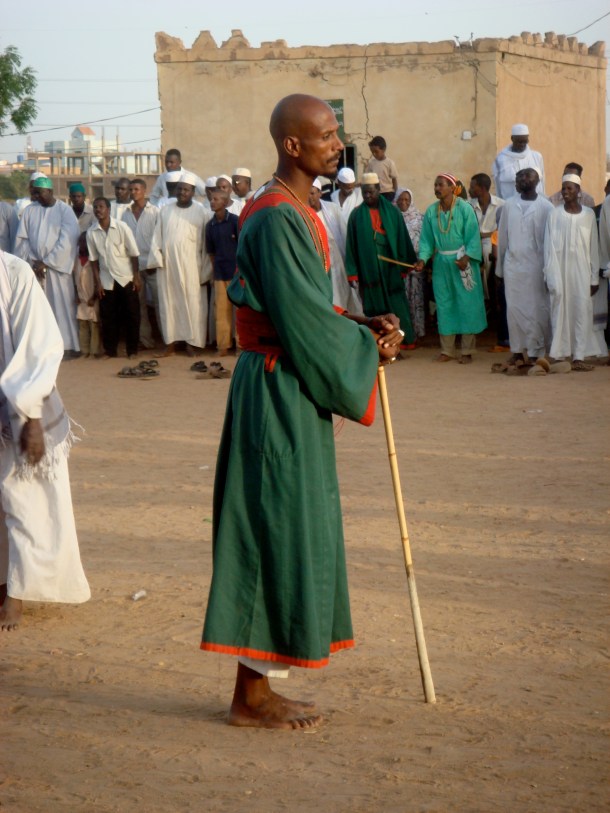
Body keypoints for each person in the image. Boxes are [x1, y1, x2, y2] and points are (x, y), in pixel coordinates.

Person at [201, 94, 403, 729]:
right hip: (276, 392)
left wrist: (362, 323)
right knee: (270, 531)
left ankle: (259, 686)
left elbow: (312, 309)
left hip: (289, 387)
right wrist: (364, 348)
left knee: (287, 529)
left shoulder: (296, 210)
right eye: (325, 136)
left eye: (336, 133)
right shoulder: (276, 217)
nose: (336, 144)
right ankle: (249, 697)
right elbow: (303, 326)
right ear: (292, 146)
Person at [0, 250, 90, 632]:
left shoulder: (13, 272)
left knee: (24, 500)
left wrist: (31, 413)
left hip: (17, 407)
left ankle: (15, 596)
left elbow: (40, 344)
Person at [415, 174, 487, 363]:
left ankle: (467, 350)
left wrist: (467, 257)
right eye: (435, 185)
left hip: (462, 262)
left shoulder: (465, 209)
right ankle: (447, 350)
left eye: (441, 185)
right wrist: (422, 259)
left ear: (451, 187)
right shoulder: (431, 211)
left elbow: (473, 237)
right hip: (441, 264)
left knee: (466, 304)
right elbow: (426, 241)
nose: (437, 188)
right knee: (445, 304)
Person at [14, 176, 80, 359]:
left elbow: (68, 241)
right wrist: (31, 263)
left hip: (58, 271)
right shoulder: (29, 211)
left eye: (39, 192)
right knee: (39, 310)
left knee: (62, 308)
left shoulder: (65, 211)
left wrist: (48, 262)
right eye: (34, 192)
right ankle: (45, 348)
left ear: (50, 191)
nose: (36, 196)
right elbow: (22, 240)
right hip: (35, 269)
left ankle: (67, 346)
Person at [345, 172, 415, 347]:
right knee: (374, 307)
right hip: (369, 268)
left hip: (390, 267)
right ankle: (380, 344)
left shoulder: (393, 212)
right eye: (365, 193)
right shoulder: (355, 216)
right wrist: (352, 273)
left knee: (396, 306)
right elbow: (351, 246)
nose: (368, 196)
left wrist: (404, 264)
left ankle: (403, 342)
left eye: (371, 192)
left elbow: (402, 239)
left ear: (378, 190)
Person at [148, 172, 212, 356]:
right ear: (175, 190)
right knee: (170, 305)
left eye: (186, 189)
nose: (182, 192)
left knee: (193, 304)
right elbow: (157, 239)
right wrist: (157, 261)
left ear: (193, 191)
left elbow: (206, 247)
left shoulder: (201, 212)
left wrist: (204, 272)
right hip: (168, 268)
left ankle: (192, 343)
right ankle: (171, 343)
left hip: (192, 267)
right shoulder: (166, 211)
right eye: (180, 189)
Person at [543, 173, 602, 370]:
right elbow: (548, 247)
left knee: (581, 310)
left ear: (578, 191)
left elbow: (594, 248)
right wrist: (548, 274)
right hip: (559, 270)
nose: (565, 192)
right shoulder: (554, 214)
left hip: (582, 272)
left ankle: (579, 356)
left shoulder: (589, 215)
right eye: (563, 188)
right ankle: (559, 353)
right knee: (559, 309)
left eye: (570, 188)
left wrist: (594, 278)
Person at [496, 168, 553, 363]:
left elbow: (550, 243)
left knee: (537, 309)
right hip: (513, 267)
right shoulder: (509, 206)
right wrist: (499, 270)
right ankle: (518, 351)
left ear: (535, 181)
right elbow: (502, 238)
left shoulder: (547, 207)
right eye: (518, 178)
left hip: (537, 267)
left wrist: (549, 271)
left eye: (524, 177)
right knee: (514, 309)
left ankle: (537, 351)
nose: (519, 181)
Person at [87, 197, 141, 359]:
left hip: (126, 278)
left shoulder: (122, 227)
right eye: (96, 207)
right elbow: (93, 260)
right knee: (108, 317)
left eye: (101, 207)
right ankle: (110, 350)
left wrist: (136, 277)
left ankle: (132, 351)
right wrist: (98, 284)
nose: (98, 210)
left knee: (132, 315)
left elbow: (134, 254)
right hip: (107, 280)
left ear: (109, 209)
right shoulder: (91, 232)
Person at [308, 178, 363, 315]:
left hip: (337, 261)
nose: (310, 197)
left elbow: (344, 236)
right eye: (307, 193)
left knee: (343, 296)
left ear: (320, 193)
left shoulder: (332, 209)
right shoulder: (304, 213)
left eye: (313, 193)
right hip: (317, 265)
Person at [121, 179, 160, 351]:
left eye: (137, 189)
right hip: (134, 267)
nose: (133, 192)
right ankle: (146, 341)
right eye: (131, 189)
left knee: (161, 305)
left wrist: (155, 260)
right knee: (139, 306)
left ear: (144, 190)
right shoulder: (126, 213)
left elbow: (160, 240)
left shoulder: (155, 212)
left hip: (153, 266)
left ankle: (168, 341)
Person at [205, 190, 239, 356]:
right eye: (211, 199)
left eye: (216, 199)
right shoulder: (210, 226)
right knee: (221, 312)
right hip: (220, 274)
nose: (212, 202)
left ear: (225, 203)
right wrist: (214, 271)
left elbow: (243, 247)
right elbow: (211, 253)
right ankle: (223, 346)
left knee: (240, 312)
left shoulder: (235, 221)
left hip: (237, 274)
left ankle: (241, 346)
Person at [394, 187, 426, 340]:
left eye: (407, 199)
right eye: (400, 199)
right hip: (398, 266)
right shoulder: (392, 218)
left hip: (416, 266)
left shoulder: (420, 218)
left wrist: (421, 260)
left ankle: (417, 331)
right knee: (402, 300)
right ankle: (403, 334)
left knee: (416, 299)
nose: (403, 202)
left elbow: (425, 241)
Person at [468, 173, 504, 299]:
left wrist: (486, 234)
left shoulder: (501, 205)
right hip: (472, 240)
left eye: (473, 187)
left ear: (482, 188)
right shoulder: (468, 205)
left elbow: (503, 229)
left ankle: (486, 296)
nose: (469, 190)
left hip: (492, 241)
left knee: (487, 250)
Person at [492, 124, 545, 200]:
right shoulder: (500, 160)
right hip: (510, 205)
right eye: (519, 142)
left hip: (535, 204)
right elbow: (497, 187)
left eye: (525, 141)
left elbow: (542, 183)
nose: (522, 145)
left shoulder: (537, 157)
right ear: (512, 138)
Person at [73, 232, 101, 358]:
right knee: (82, 324)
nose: (83, 245)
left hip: (92, 298)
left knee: (94, 324)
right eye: (82, 242)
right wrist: (76, 295)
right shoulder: (76, 260)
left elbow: (98, 281)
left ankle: (94, 351)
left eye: (86, 242)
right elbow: (74, 279)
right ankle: (85, 351)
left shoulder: (94, 261)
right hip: (82, 298)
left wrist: (94, 296)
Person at [365, 136, 398, 200]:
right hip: (376, 192)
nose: (374, 154)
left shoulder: (390, 163)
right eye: (372, 152)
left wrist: (394, 192)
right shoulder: (371, 163)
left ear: (383, 149)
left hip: (388, 193)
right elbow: (368, 177)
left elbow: (394, 179)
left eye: (376, 151)